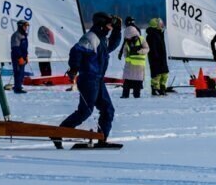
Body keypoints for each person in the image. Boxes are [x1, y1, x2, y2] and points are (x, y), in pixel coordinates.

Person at [56, 12, 122, 147]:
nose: (111, 27)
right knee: (85, 111)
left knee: (108, 109)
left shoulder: (102, 38)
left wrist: (118, 30)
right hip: (88, 79)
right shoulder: (91, 37)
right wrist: (74, 69)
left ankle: (102, 139)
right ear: (101, 24)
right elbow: (76, 51)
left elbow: (112, 46)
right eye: (109, 25)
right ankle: (59, 132)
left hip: (98, 80)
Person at [120, 26, 149, 98]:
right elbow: (125, 50)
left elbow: (147, 49)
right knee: (127, 81)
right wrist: (126, 56)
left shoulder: (141, 39)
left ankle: (137, 95)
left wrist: (140, 51)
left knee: (137, 82)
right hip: (129, 64)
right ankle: (125, 95)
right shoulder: (127, 42)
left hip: (139, 65)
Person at [146, 18, 169, 96]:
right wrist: (156, 57)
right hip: (156, 59)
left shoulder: (159, 33)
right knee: (157, 75)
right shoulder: (151, 35)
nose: (161, 25)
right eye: (159, 23)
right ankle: (155, 89)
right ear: (155, 25)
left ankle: (162, 88)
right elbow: (153, 48)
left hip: (162, 58)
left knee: (165, 74)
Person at [10, 20, 29, 94]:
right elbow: (15, 48)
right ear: (21, 26)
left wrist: (26, 56)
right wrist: (20, 57)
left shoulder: (24, 35)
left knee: (21, 72)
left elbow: (24, 47)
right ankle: (17, 88)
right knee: (17, 72)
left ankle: (19, 85)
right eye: (25, 26)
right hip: (17, 57)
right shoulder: (16, 35)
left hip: (23, 57)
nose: (26, 28)